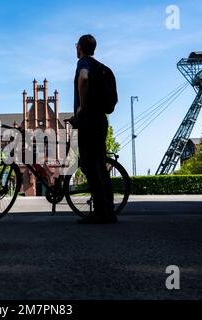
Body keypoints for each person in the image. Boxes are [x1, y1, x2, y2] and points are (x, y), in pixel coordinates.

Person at [72, 34, 118, 224]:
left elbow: (83, 78)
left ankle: (100, 212)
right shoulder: (101, 67)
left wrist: (81, 107)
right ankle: (109, 211)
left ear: (80, 48)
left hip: (89, 121)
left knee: (90, 165)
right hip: (101, 120)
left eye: (76, 45)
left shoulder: (83, 63)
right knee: (100, 166)